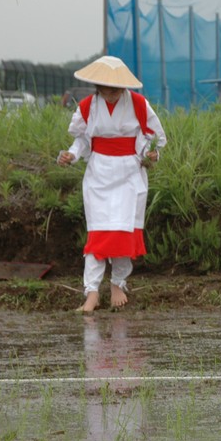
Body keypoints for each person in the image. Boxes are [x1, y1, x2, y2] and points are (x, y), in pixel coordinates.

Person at [57, 56, 167, 312]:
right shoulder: (87, 106)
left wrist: (151, 154)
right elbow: (81, 141)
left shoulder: (138, 104)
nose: (111, 95)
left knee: (123, 231)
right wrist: (71, 155)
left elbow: (153, 138)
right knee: (98, 234)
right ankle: (92, 292)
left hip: (129, 175)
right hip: (99, 175)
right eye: (106, 90)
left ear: (123, 87)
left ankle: (118, 283)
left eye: (115, 90)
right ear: (98, 86)